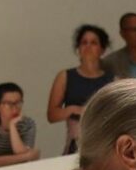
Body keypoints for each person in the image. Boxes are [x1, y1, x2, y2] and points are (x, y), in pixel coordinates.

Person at [49, 24, 117, 153]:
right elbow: (52, 115)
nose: (88, 47)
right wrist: (74, 109)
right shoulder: (65, 76)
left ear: (102, 50)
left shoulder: (113, 81)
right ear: (78, 48)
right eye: (84, 42)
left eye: (93, 43)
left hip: (104, 144)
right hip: (75, 143)